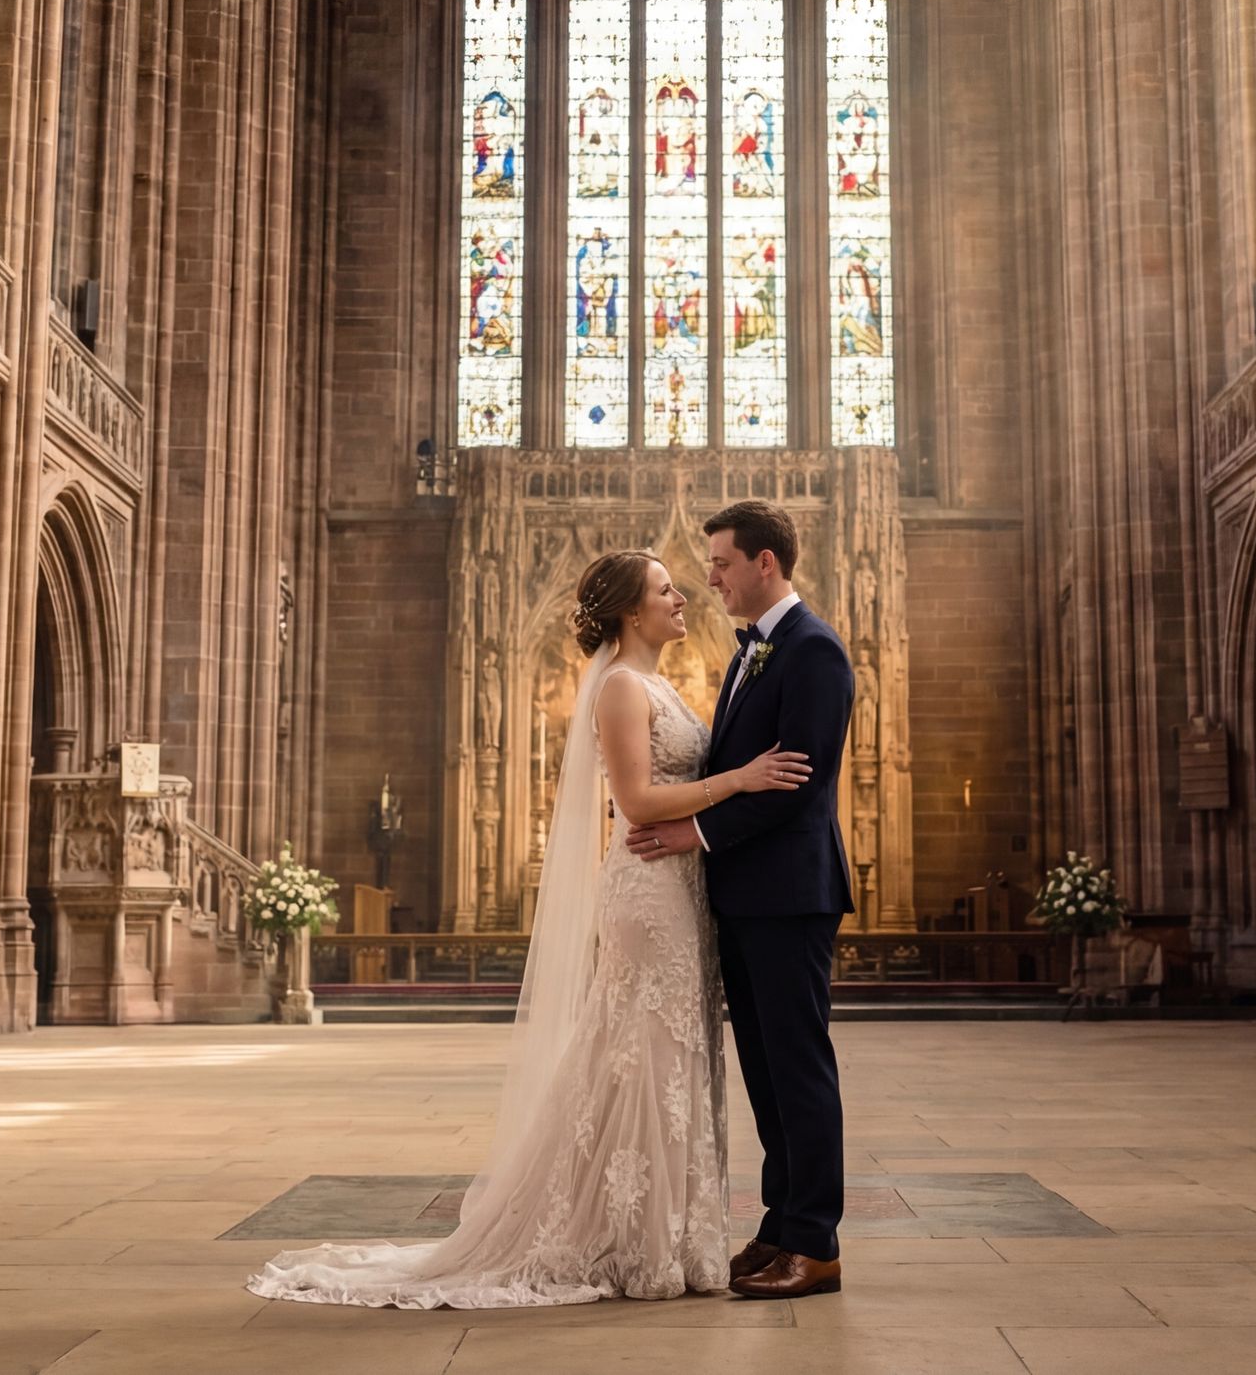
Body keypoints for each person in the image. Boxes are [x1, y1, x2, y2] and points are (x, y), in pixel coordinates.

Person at [245, 549, 811, 1307]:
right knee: (643, 1052)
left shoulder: (655, 682)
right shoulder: (616, 685)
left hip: (679, 887)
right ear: (629, 611)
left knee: (669, 1054)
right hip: (648, 888)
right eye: (665, 588)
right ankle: (628, 1238)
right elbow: (639, 801)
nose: (683, 595)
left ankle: (668, 1233)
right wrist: (739, 780)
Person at [626, 499, 857, 1300]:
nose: (711, 576)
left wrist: (698, 836)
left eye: (722, 562)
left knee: (798, 1065)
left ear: (766, 562)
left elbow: (798, 783)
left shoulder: (814, 651)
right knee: (764, 1067)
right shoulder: (753, 652)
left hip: (790, 894)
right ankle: (780, 1223)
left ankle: (816, 1243)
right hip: (749, 896)